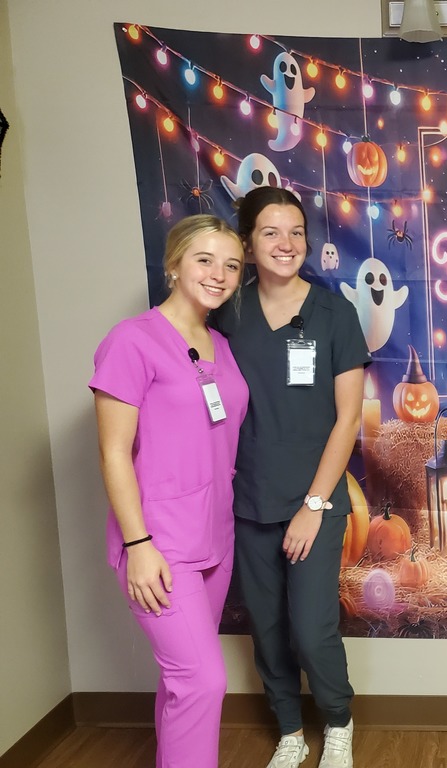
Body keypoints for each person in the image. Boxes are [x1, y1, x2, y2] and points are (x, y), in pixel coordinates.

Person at [212, 186, 370, 768]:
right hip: (248, 498)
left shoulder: (334, 313)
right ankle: (287, 729)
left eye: (297, 231)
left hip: (316, 500)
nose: (286, 243)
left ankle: (337, 722)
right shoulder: (226, 313)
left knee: (311, 628)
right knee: (269, 627)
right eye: (271, 232)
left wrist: (313, 503)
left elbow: (348, 416)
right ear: (248, 245)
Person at [91, 214, 248, 768]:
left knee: (182, 680)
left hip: (216, 537)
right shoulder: (131, 341)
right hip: (156, 541)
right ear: (175, 264)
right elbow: (113, 452)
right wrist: (138, 546)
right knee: (202, 681)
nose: (218, 274)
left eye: (231, 265)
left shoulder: (221, 346)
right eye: (204, 260)